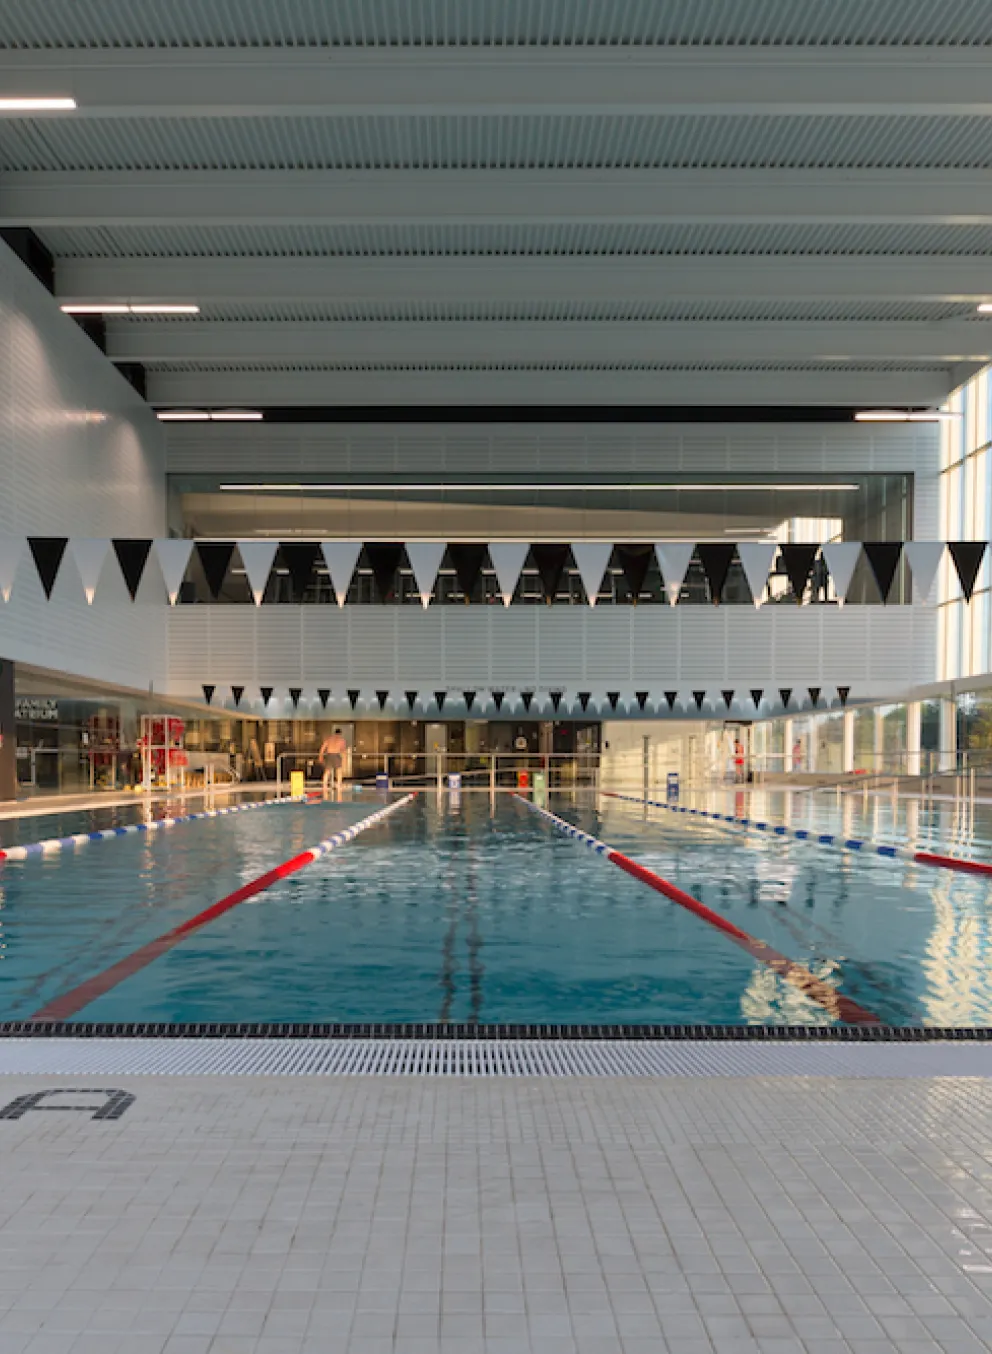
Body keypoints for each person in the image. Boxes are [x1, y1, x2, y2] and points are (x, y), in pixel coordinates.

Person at [319, 727, 348, 797]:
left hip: (329, 755)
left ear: (334, 733)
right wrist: (344, 760)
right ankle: (338, 785)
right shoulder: (341, 740)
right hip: (336, 755)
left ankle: (324, 785)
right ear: (340, 734)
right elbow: (343, 750)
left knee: (327, 771)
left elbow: (322, 748)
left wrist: (320, 757)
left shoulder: (329, 739)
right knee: (339, 771)